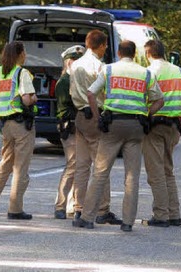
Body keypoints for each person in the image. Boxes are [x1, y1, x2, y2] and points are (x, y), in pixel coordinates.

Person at [72, 40, 164, 232]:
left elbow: (90, 94)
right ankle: (128, 222)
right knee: (132, 176)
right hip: (136, 126)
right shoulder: (145, 73)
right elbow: (159, 100)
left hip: (112, 125)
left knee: (100, 172)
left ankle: (87, 217)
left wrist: (99, 118)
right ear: (134, 53)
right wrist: (147, 114)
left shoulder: (109, 70)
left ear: (119, 53)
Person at [68, 29, 121, 225]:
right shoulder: (101, 67)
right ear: (100, 46)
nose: (106, 48)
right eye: (105, 44)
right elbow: (105, 93)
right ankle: (102, 209)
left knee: (81, 166)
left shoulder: (75, 65)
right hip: (95, 115)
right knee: (101, 165)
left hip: (80, 116)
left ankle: (79, 207)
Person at [141, 39, 181, 228]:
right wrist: (179, 114)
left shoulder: (150, 72)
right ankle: (174, 214)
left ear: (148, 54)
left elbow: (145, 99)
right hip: (174, 126)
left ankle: (161, 215)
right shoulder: (177, 70)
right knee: (168, 171)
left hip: (155, 125)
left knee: (155, 172)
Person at [0, 41, 38, 220]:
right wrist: (34, 98)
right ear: (20, 54)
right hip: (22, 124)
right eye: (25, 52)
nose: (26, 55)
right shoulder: (22, 73)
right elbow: (26, 100)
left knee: (5, 164)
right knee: (20, 167)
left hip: (5, 124)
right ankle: (15, 209)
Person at [54, 45, 85, 219]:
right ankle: (60, 205)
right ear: (69, 62)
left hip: (77, 127)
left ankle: (72, 205)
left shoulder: (73, 79)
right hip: (70, 127)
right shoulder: (66, 81)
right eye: (75, 61)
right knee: (72, 166)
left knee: (78, 166)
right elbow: (75, 104)